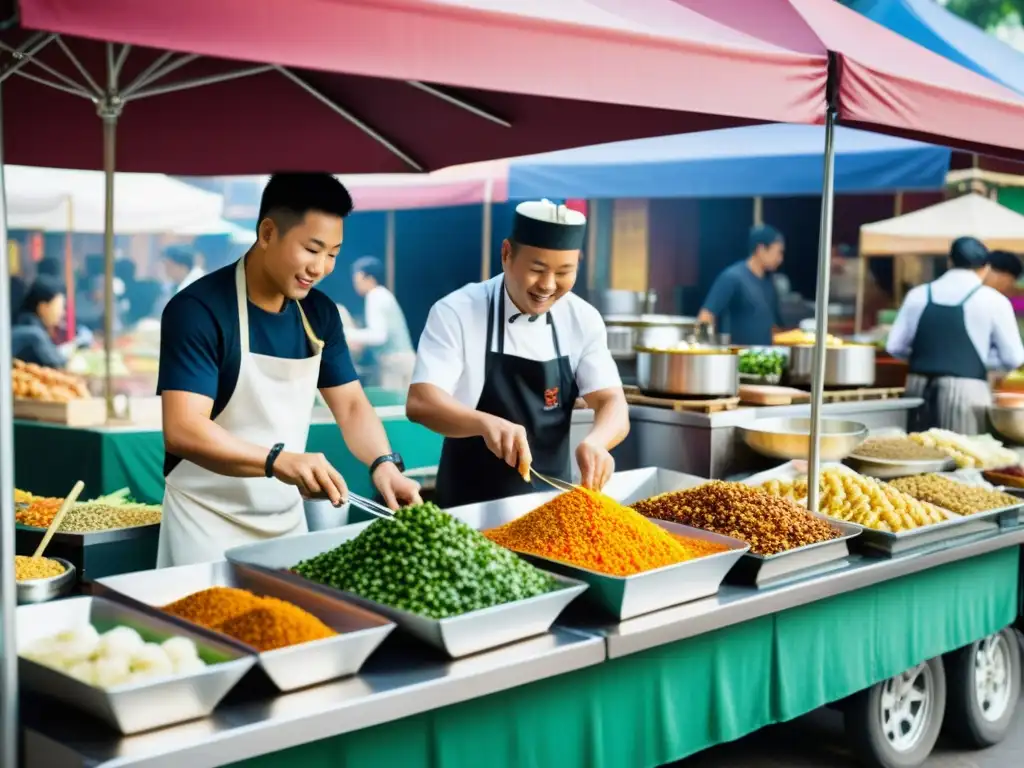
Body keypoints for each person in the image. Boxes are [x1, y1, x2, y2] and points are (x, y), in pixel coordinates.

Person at [156, 173, 422, 567]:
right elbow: (183, 429)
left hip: (285, 525)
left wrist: (384, 463)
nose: (321, 267)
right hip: (204, 524)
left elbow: (350, 406)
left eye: (332, 253)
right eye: (312, 249)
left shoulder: (320, 314)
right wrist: (279, 460)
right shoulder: (198, 310)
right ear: (267, 232)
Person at [407, 199, 629, 508]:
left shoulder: (582, 318)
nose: (548, 285)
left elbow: (612, 403)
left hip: (552, 511)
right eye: (537, 269)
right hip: (469, 511)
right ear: (506, 254)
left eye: (564, 272)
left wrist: (597, 442)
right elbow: (421, 402)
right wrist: (486, 423)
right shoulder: (457, 310)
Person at [887, 236, 1024, 434]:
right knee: (965, 455)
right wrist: (978, 361)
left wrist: (931, 356)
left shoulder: (918, 294)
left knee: (919, 452)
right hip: (967, 391)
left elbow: (895, 347)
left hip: (917, 389)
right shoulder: (993, 300)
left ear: (950, 262)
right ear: (985, 267)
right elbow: (1013, 358)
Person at [697, 224, 785, 345]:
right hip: (739, 358)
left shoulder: (770, 282)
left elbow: (774, 325)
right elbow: (706, 316)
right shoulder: (733, 277)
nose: (780, 259)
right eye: (778, 253)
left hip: (766, 357)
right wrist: (705, 349)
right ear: (761, 249)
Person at [346, 256, 415, 391]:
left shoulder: (375, 296)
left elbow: (378, 336)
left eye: (357, 279)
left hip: (395, 363)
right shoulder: (383, 294)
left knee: (395, 407)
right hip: (404, 360)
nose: (355, 284)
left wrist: (346, 333)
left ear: (369, 278)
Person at [11, 276, 68, 368]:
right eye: (60, 307)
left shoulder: (26, 323)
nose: (63, 313)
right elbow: (60, 365)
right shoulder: (33, 334)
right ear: (43, 307)